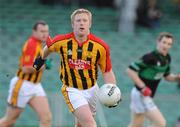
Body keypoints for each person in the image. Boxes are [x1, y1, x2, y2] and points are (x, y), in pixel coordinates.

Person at [33, 8, 117, 127]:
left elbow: (107, 71)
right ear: (73, 24)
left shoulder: (100, 46)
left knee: (81, 125)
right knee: (90, 124)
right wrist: (40, 60)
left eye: (84, 20)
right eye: (78, 20)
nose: (81, 23)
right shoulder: (62, 41)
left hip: (92, 89)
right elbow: (49, 47)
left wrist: (113, 90)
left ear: (90, 24)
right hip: (72, 90)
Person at [0, 20, 52, 127]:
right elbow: (26, 69)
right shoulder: (32, 44)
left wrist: (43, 64)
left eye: (46, 31)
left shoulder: (40, 45)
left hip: (35, 85)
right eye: (42, 31)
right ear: (34, 32)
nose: (45, 34)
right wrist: (44, 66)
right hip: (23, 85)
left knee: (46, 118)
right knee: (9, 121)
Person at [126, 32, 180, 127]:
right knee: (161, 123)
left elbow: (167, 76)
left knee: (136, 124)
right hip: (141, 94)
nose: (166, 46)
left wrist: (176, 78)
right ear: (158, 42)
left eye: (169, 44)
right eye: (164, 42)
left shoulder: (167, 58)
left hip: (144, 95)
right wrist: (143, 87)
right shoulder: (150, 57)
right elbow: (130, 70)